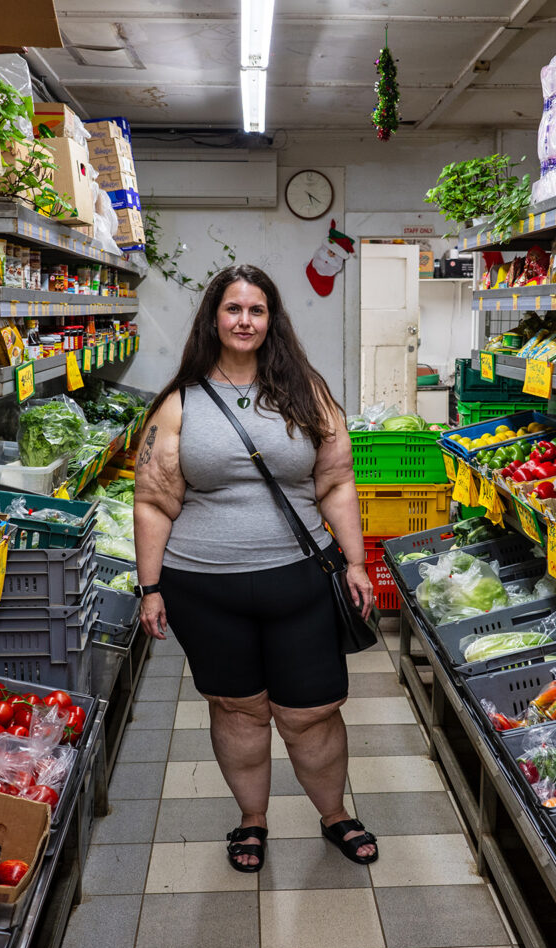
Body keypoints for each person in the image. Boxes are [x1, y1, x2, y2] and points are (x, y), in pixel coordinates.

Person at [133, 263, 378, 873]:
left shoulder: (306, 392)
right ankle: (252, 818)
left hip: (299, 581)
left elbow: (337, 481)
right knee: (237, 707)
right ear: (214, 318)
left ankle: (335, 814)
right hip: (203, 589)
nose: (245, 321)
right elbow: (154, 499)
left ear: (272, 320)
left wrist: (356, 561)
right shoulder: (179, 402)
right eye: (234, 309)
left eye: (257, 310)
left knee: (312, 711)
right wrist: (150, 586)